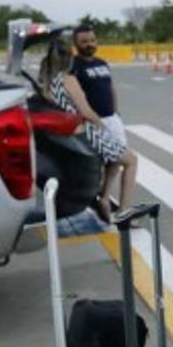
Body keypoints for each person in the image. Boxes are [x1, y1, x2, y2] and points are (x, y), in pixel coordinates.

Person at [49, 25, 138, 221]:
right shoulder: (70, 75)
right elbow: (85, 110)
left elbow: (110, 87)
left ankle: (104, 200)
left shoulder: (52, 79)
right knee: (130, 161)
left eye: (92, 40)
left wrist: (115, 114)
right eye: (84, 42)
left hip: (100, 122)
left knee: (117, 161)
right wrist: (101, 126)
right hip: (90, 127)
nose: (89, 44)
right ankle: (123, 212)